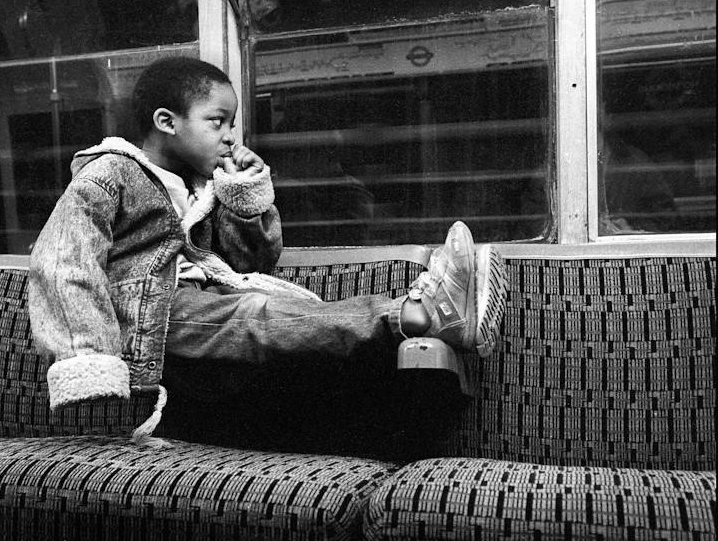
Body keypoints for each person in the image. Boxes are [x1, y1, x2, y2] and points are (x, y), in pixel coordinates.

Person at [29, 56, 507, 453]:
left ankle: (421, 334)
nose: (230, 136)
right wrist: (91, 360)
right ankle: (418, 313)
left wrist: (242, 194)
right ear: (166, 122)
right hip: (149, 316)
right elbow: (65, 263)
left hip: (200, 307)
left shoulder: (201, 187)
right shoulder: (109, 175)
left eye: (232, 123)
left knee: (292, 320)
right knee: (256, 318)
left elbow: (250, 264)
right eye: (216, 122)